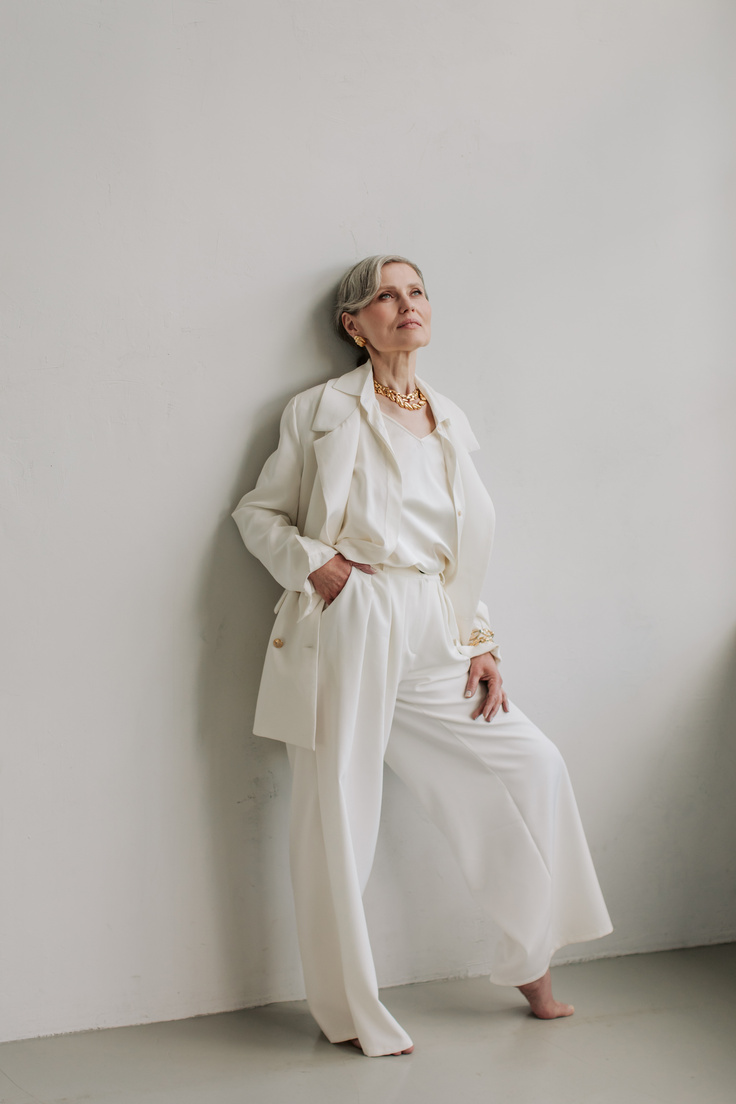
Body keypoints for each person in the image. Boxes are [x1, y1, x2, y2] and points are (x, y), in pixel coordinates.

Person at [232, 255, 612, 1057]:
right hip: (352, 617)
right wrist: (320, 567)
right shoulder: (320, 410)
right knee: (340, 818)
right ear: (354, 324)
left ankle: (528, 961)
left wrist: (480, 641)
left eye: (417, 292)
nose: (407, 306)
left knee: (530, 766)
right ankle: (350, 1012)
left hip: (434, 624)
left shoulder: (448, 417)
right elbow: (257, 513)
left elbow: (455, 553)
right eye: (385, 296)